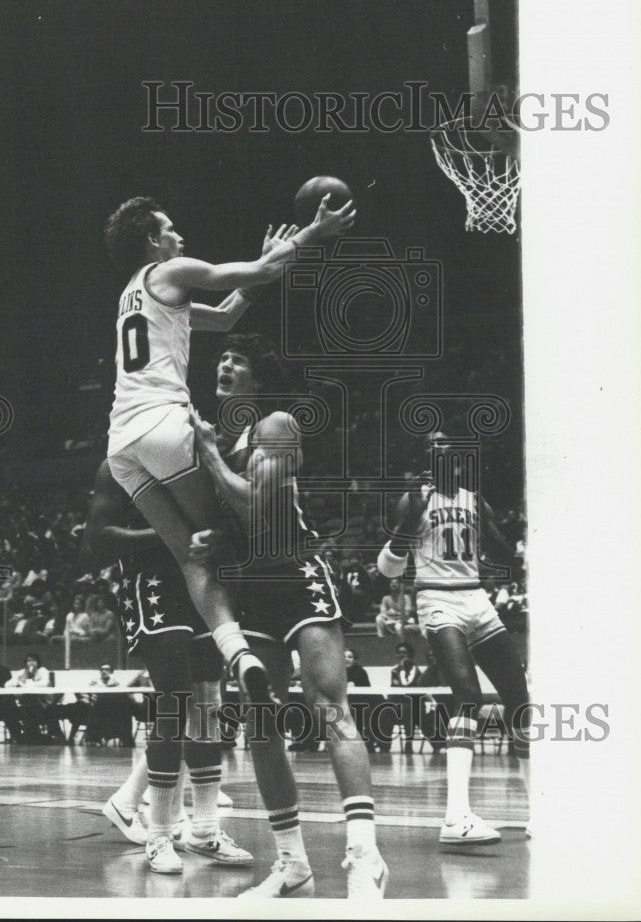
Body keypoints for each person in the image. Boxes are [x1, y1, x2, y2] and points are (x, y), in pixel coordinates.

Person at [104, 195, 354, 703]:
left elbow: (222, 315)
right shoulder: (169, 268)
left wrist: (262, 272)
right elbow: (257, 270)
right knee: (227, 534)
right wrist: (310, 231)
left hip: (121, 443)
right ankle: (261, 643)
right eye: (170, 228)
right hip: (163, 423)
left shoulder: (132, 296)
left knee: (190, 556)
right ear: (152, 240)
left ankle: (236, 652)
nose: (180, 236)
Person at [190, 333, 389, 899]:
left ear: (256, 380)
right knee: (259, 719)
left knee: (328, 704)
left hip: (295, 574)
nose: (225, 365)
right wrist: (213, 537)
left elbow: (258, 502)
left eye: (239, 360)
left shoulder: (275, 425)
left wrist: (207, 456)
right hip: (249, 587)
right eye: (222, 358)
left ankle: (364, 857)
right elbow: (236, 519)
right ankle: (291, 862)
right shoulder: (223, 443)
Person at [83, 459, 253, 875]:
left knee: (209, 704)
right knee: (174, 703)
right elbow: (98, 538)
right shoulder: (118, 464)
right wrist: (172, 537)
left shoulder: (198, 460)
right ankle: (159, 834)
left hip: (201, 579)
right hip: (151, 583)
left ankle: (205, 829)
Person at [377, 431, 530, 846]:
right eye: (431, 444)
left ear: (457, 459)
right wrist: (409, 522)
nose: (438, 447)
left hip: (477, 597)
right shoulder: (414, 500)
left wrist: (501, 539)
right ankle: (455, 817)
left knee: (520, 700)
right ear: (426, 456)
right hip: (436, 600)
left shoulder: (475, 501)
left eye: (445, 444)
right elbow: (388, 570)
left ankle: (539, 807)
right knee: (467, 696)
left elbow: (501, 556)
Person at [389, 642, 424, 753]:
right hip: (398, 705)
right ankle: (383, 746)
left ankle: (409, 742)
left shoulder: (417, 671)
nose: (401, 655)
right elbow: (394, 690)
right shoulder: (394, 671)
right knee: (383, 710)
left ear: (410, 655)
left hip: (414, 705)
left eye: (404, 652)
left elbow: (412, 688)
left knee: (409, 709)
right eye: (399, 653)